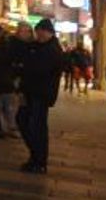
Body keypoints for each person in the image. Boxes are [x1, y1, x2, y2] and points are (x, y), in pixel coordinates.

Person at [16, 18, 66, 174]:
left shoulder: (52, 49)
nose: (39, 35)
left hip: (41, 94)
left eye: (41, 32)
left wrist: (25, 68)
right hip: (31, 92)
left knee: (36, 126)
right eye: (37, 32)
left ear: (48, 32)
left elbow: (39, 70)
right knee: (24, 120)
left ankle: (39, 160)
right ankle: (35, 156)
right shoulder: (38, 46)